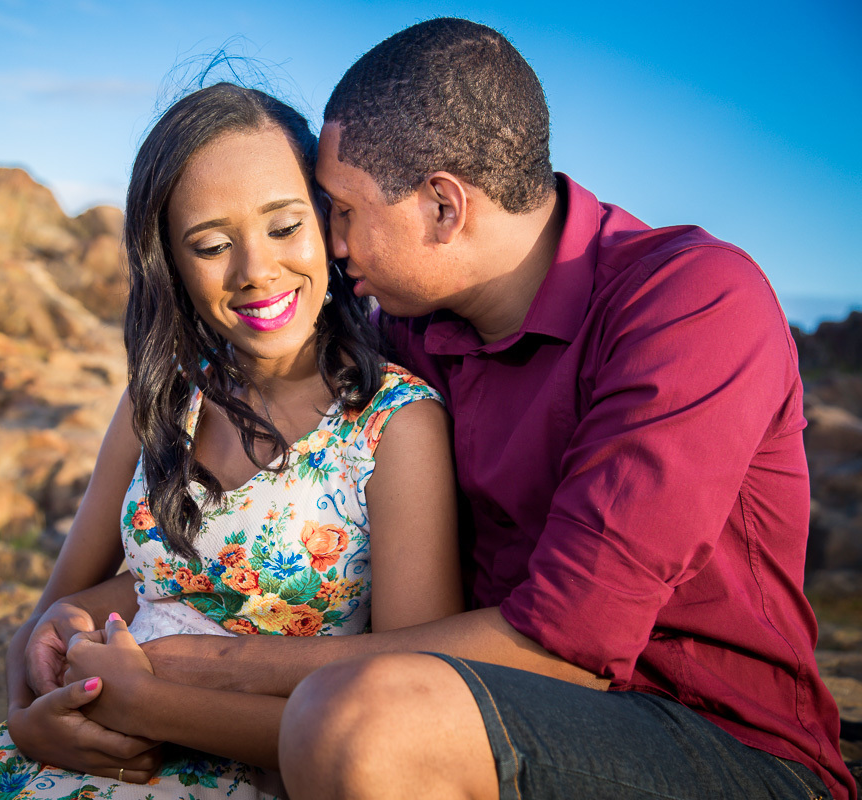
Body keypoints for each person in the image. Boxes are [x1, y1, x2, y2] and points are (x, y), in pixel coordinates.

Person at [151, 18, 851, 800]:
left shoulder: (692, 304)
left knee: (358, 722)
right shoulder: (412, 330)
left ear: (443, 208)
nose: (333, 245)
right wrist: (83, 626)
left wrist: (217, 668)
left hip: (720, 744)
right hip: (482, 715)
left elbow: (568, 646)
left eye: (341, 211)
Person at [0, 83, 463, 800]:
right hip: (62, 757)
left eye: (285, 228)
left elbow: (410, 710)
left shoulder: (394, 425)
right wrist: (34, 704)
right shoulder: (159, 400)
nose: (255, 269)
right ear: (171, 263)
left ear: (327, 224)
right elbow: (55, 611)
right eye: (213, 245)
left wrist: (148, 706)